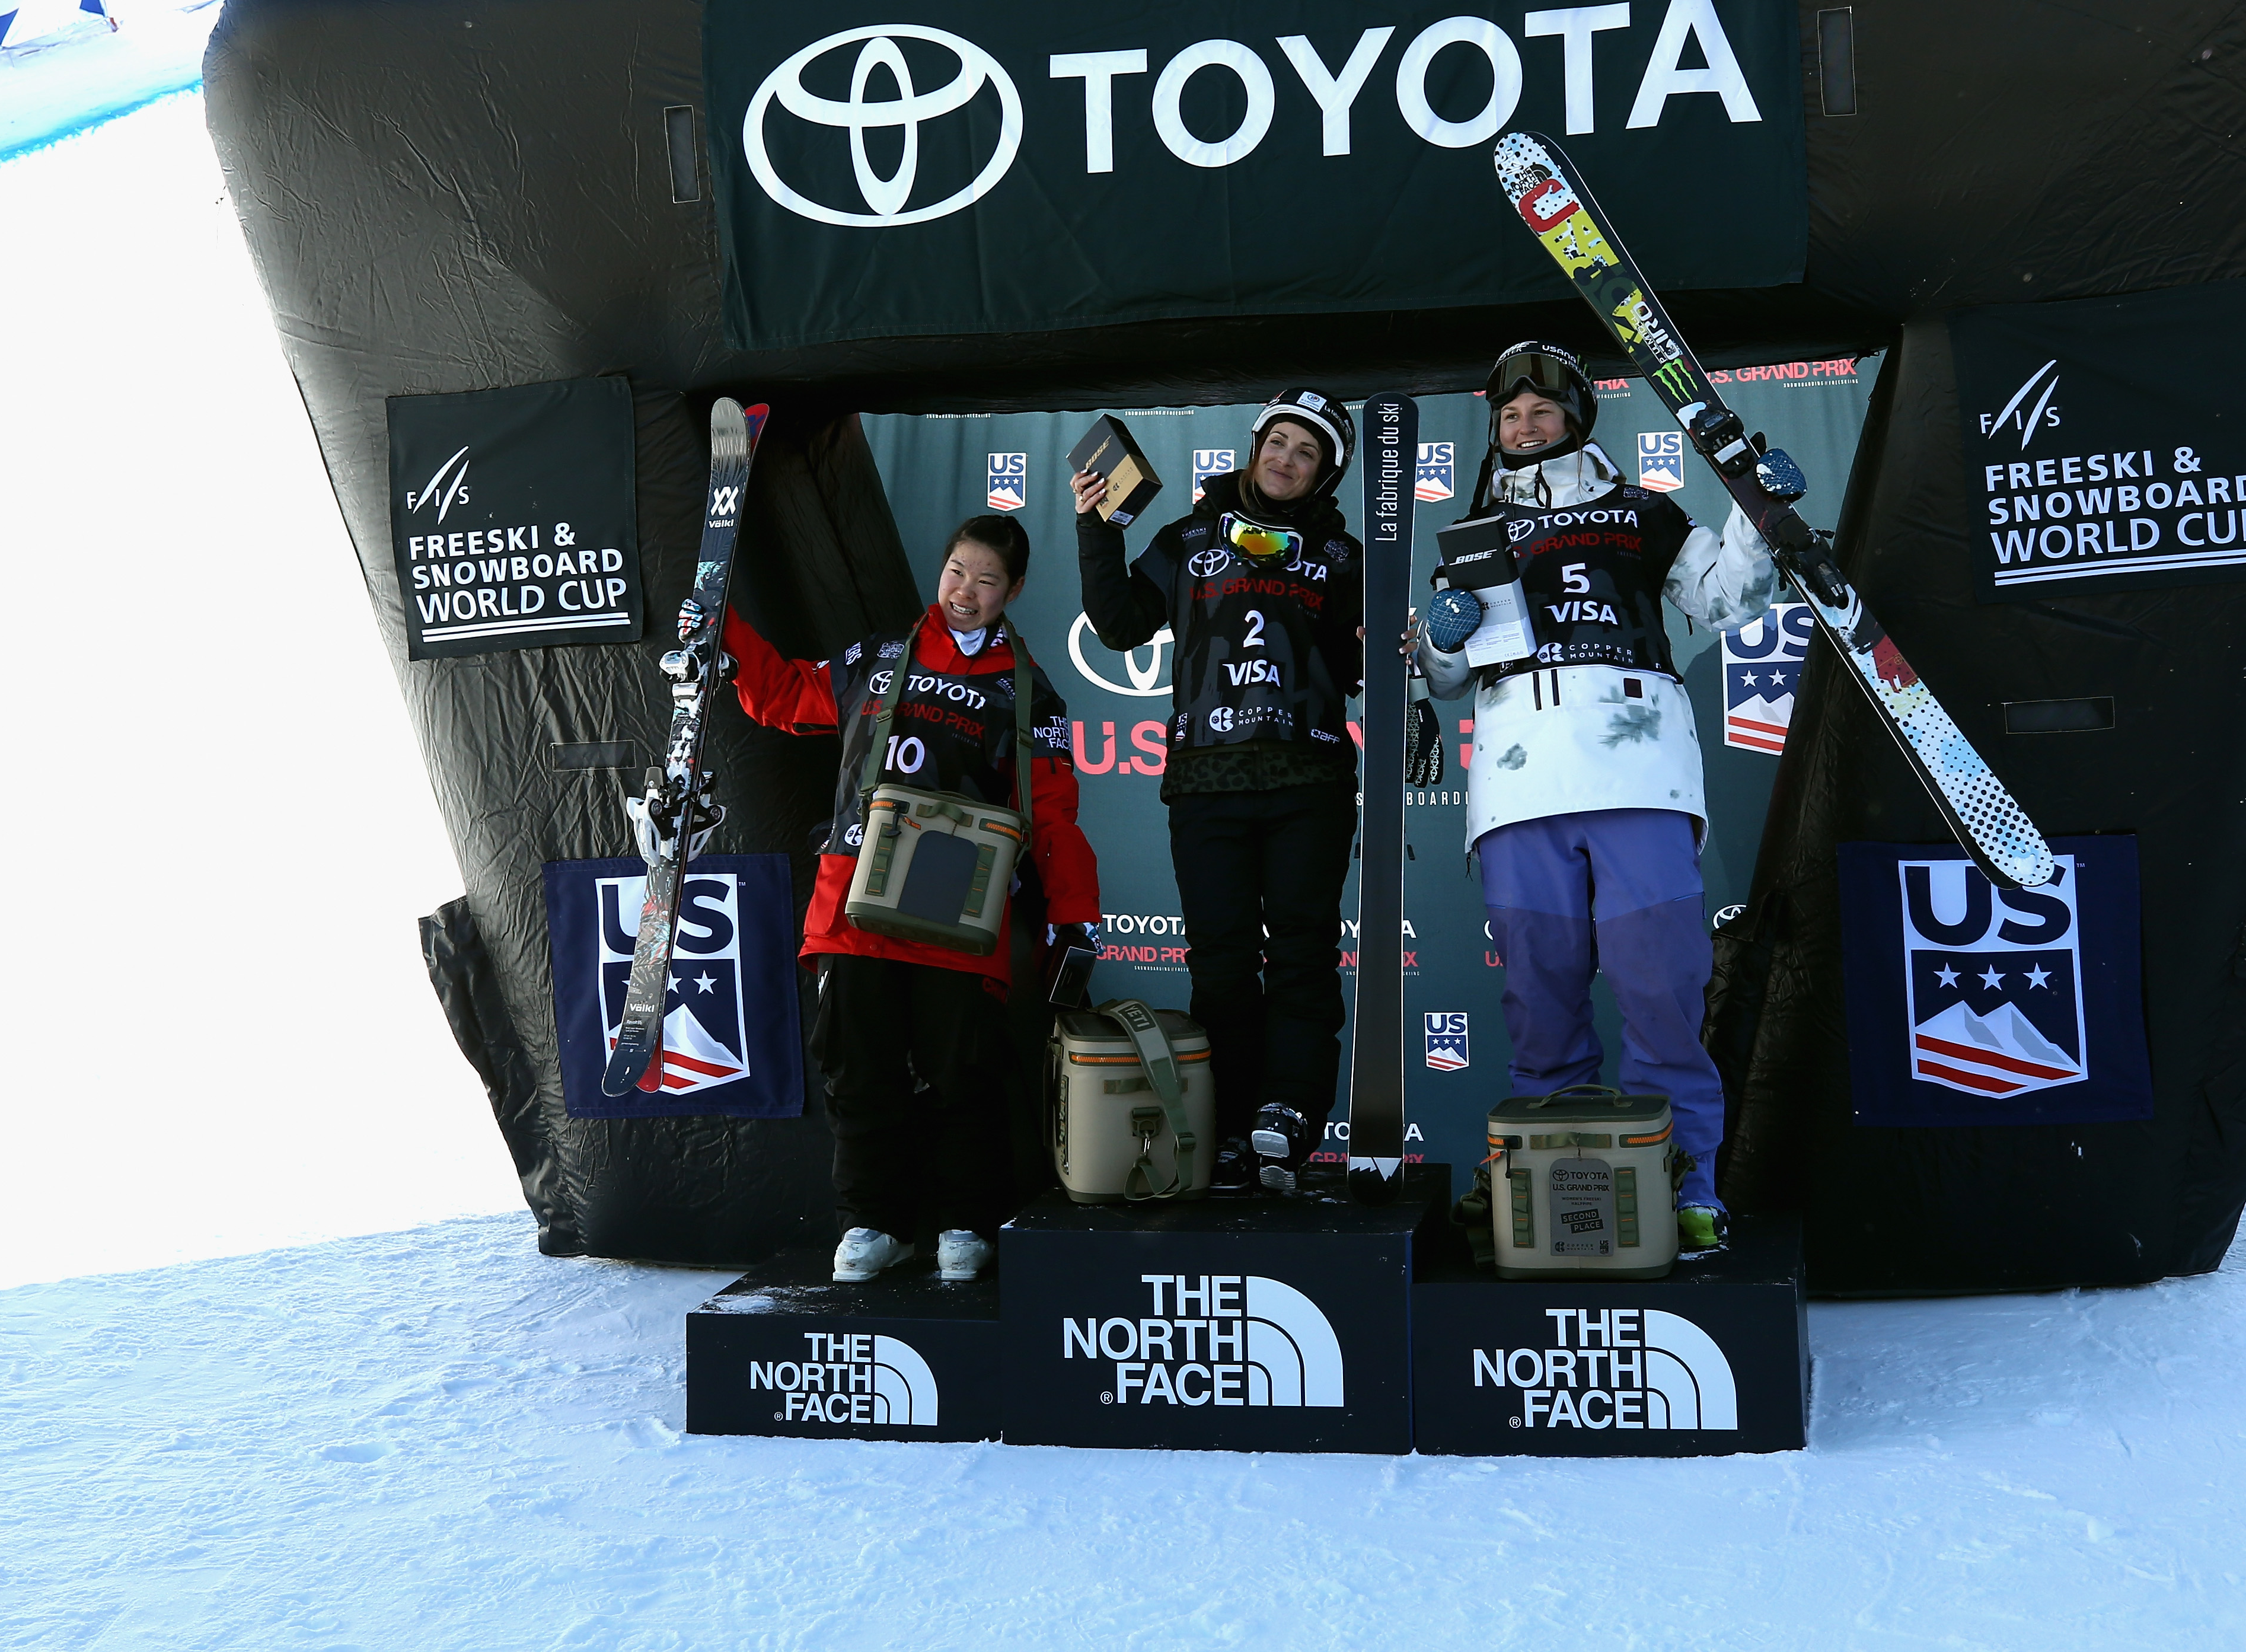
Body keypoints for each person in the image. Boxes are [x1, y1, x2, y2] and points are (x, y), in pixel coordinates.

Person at [1412, 343, 1783, 1252]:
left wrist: (1758, 512)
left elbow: (1729, 599)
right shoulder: (1471, 534)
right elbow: (1446, 678)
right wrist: (1441, 639)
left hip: (1637, 775)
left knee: (1661, 989)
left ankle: (1690, 1180)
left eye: (1542, 411)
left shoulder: (1644, 511)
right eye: (1510, 416)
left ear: (1577, 418)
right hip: (1519, 789)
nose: (1525, 426)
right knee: (1540, 1001)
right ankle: (1537, 1175)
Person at [725, 515, 1099, 1283]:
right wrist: (722, 629)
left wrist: (1073, 915)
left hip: (958, 911)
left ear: (1015, 591)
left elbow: (1055, 815)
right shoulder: (878, 658)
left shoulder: (1031, 695)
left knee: (961, 1071)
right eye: (957, 571)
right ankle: (873, 1222)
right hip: (854, 906)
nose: (966, 591)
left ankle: (965, 1222)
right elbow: (782, 696)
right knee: (858, 1070)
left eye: (987, 579)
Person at [1073, 390, 1364, 1194]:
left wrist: (1390, 647)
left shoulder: (1343, 556)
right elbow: (1120, 622)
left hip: (1308, 781)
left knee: (1303, 954)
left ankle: (1290, 1118)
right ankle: (1232, 1126)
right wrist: (1098, 527)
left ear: (1323, 472)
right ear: (1255, 445)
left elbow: (1360, 666)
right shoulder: (1190, 534)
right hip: (1206, 782)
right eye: (1278, 442)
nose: (1286, 459)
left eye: (1306, 452)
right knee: (1223, 964)